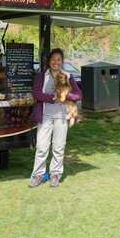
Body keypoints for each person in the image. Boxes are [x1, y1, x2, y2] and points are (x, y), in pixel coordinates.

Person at [30, 48, 82, 188]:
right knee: (41, 147)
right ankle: (38, 175)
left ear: (62, 61)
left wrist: (65, 96)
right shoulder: (41, 76)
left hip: (61, 117)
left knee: (58, 148)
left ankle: (55, 175)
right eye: (53, 59)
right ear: (49, 61)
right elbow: (36, 94)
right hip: (45, 117)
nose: (55, 62)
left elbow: (78, 95)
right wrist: (52, 98)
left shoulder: (67, 76)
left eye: (59, 60)